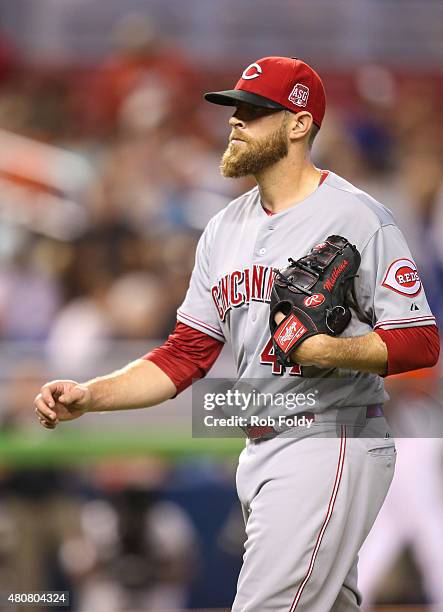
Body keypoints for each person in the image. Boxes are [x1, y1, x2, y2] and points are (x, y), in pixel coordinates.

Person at [34, 57, 440, 611]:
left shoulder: (358, 218)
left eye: (253, 111)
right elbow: (186, 355)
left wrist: (327, 348)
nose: (235, 122)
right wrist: (92, 395)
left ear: (299, 124)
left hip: (329, 438)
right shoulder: (223, 230)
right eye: (234, 110)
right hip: (260, 445)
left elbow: (420, 341)